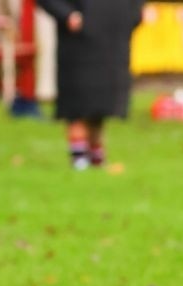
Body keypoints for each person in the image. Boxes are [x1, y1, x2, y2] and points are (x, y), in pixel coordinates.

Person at [37, 0, 144, 170]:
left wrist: (131, 17)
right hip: (78, 43)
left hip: (112, 42)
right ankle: (79, 159)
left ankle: (96, 156)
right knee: (77, 104)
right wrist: (68, 15)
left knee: (101, 105)